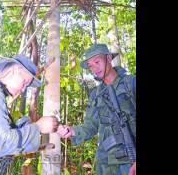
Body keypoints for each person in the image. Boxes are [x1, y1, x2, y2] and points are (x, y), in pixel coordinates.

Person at [57, 44, 136, 175]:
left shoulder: (131, 83)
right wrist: (72, 131)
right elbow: (90, 126)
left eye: (97, 62)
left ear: (109, 58)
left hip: (130, 163)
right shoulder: (96, 94)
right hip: (105, 165)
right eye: (90, 65)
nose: (94, 68)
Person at [0, 54, 58, 175]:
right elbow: (0, 145)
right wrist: (38, 127)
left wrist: (29, 127)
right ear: (15, 70)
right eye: (24, 82)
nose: (24, 89)